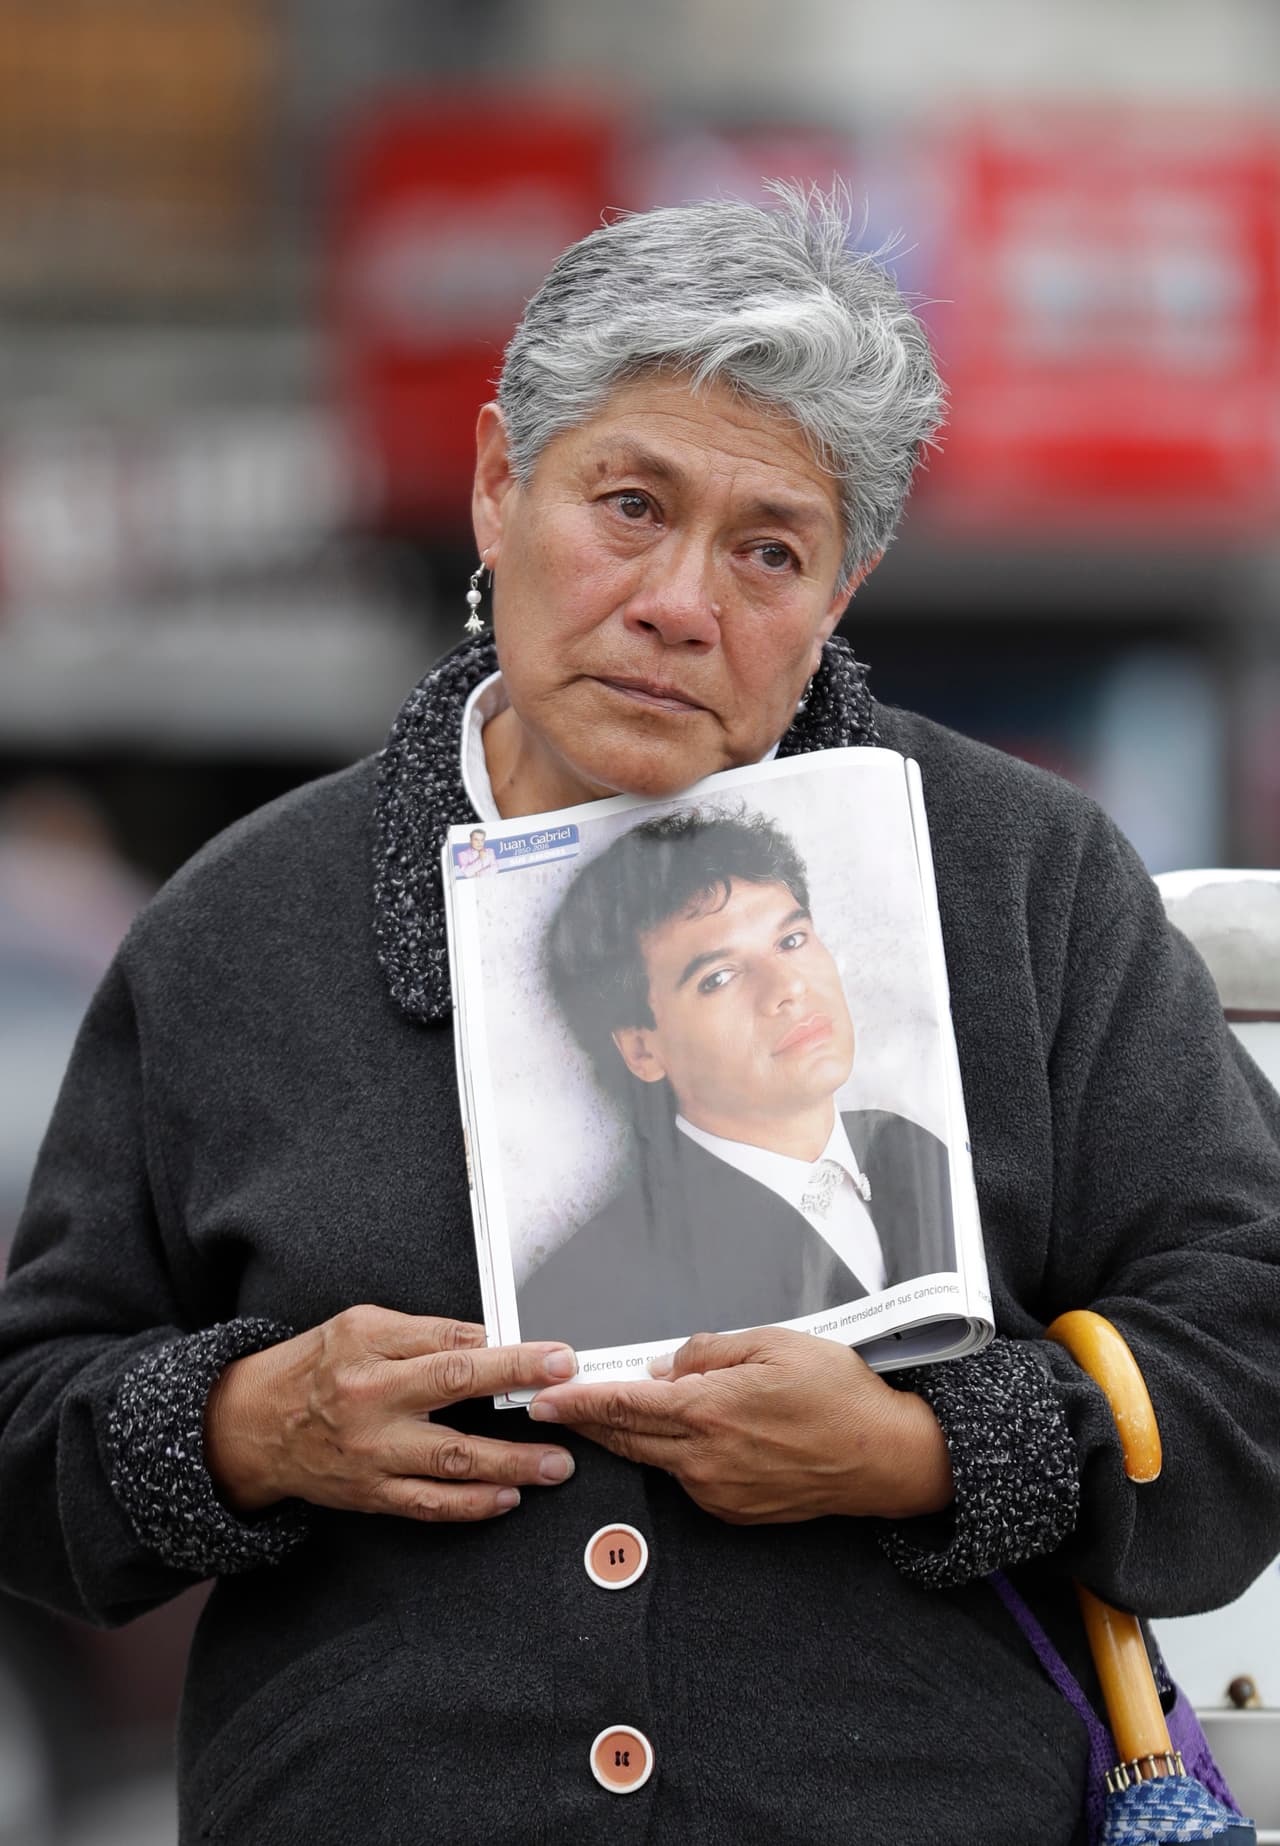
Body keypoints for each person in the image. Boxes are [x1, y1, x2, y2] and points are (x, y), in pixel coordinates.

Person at [0, 186, 1277, 1846]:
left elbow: (1247, 1337)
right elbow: (32, 1439)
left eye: (769, 549)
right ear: (495, 484)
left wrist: (918, 1451)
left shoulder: (1020, 882)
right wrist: (251, 1425)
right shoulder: (243, 925)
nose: (684, 601)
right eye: (628, 504)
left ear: (847, 583)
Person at [518, 806, 955, 1348]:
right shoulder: (582, 1294)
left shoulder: (912, 1144)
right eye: (718, 977)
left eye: (791, 941)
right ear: (641, 1048)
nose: (787, 988)